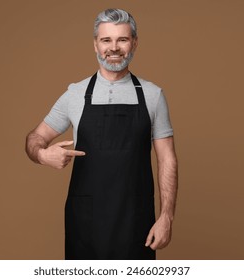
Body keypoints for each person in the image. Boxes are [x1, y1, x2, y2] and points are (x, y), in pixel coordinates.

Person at [25, 8, 178, 260]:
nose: (114, 47)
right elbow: (34, 138)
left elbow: (167, 159)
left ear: (134, 43)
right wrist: (42, 155)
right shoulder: (75, 94)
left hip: (136, 221)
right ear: (96, 45)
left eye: (122, 39)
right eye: (106, 40)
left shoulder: (153, 95)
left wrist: (166, 217)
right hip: (86, 223)